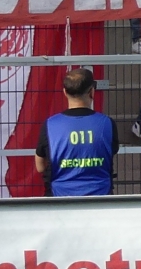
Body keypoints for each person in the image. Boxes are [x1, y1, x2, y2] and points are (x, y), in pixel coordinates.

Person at [36, 68, 119, 196]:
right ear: (92, 91)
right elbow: (110, 153)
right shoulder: (107, 123)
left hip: (59, 198)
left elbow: (40, 167)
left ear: (65, 92)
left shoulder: (50, 124)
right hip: (101, 197)